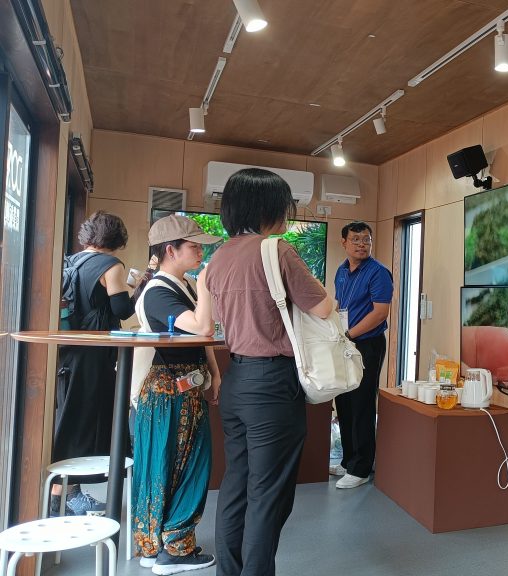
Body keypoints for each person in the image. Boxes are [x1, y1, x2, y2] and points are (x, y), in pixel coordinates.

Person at [203, 168, 335, 576]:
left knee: (236, 487)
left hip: (237, 381)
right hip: (273, 386)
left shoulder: (218, 257)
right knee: (268, 496)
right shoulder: (276, 251)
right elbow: (323, 307)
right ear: (268, 209)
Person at [130, 215, 221, 573]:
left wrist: (214, 373)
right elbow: (202, 326)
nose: (201, 252)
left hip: (182, 390)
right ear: (171, 250)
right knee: (177, 468)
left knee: (170, 466)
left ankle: (156, 547)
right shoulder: (158, 292)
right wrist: (207, 285)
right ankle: (175, 549)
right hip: (168, 393)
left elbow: (201, 336)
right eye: (194, 246)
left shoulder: (182, 285)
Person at [52, 211, 134, 515]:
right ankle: (65, 495)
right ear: (116, 238)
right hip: (95, 354)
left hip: (69, 350)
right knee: (85, 421)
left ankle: (62, 493)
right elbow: (122, 309)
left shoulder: (71, 261)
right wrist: (136, 286)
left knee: (71, 417)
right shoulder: (111, 265)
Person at [332, 221, 393, 489]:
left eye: (366, 240)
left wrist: (349, 334)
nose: (362, 244)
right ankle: (348, 461)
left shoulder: (378, 273)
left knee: (362, 404)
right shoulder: (341, 271)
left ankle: (361, 468)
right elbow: (340, 305)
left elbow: (380, 313)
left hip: (367, 344)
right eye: (356, 239)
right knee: (344, 400)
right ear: (344, 242)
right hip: (345, 342)